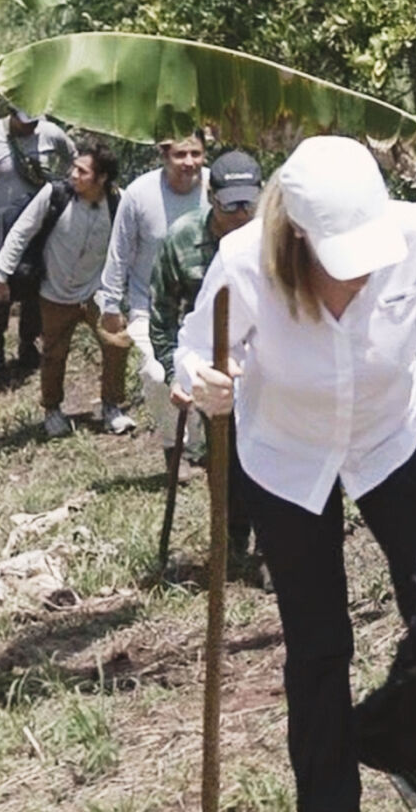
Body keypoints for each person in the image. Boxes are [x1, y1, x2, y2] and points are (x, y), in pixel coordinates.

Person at [183, 135, 416, 812]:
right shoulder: (245, 263)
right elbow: (196, 351)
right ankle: (329, 800)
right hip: (285, 454)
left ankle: (391, 740)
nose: (359, 276)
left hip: (390, 437)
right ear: (298, 237)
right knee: (320, 647)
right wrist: (204, 383)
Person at [156, 149, 266, 577]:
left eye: (248, 204)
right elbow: (163, 319)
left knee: (268, 461)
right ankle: (234, 540)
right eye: (229, 205)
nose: (240, 214)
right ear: (210, 195)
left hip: (267, 371)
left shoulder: (271, 242)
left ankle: (272, 547)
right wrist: (176, 373)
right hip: (211, 371)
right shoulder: (181, 240)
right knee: (228, 464)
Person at [0, 143, 138, 440]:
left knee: (117, 342)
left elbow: (129, 245)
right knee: (54, 354)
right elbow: (21, 232)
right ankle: (52, 410)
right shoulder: (55, 195)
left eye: (82, 171)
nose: (73, 174)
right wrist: (1, 274)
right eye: (74, 168)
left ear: (102, 178)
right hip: (55, 292)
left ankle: (112, 406)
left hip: (96, 290)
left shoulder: (118, 203)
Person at [0, 104, 69, 378]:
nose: (30, 128)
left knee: (34, 286)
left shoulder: (51, 134)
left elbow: (75, 162)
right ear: (10, 114)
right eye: (24, 123)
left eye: (33, 122)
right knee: (1, 286)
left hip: (37, 225)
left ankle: (27, 343)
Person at [105, 132, 210, 401]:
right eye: (180, 155)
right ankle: (168, 440)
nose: (189, 162)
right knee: (157, 374)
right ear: (164, 156)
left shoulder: (216, 189)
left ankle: (195, 442)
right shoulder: (139, 194)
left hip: (204, 307)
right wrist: (111, 304)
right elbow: (120, 252)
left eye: (195, 154)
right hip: (149, 307)